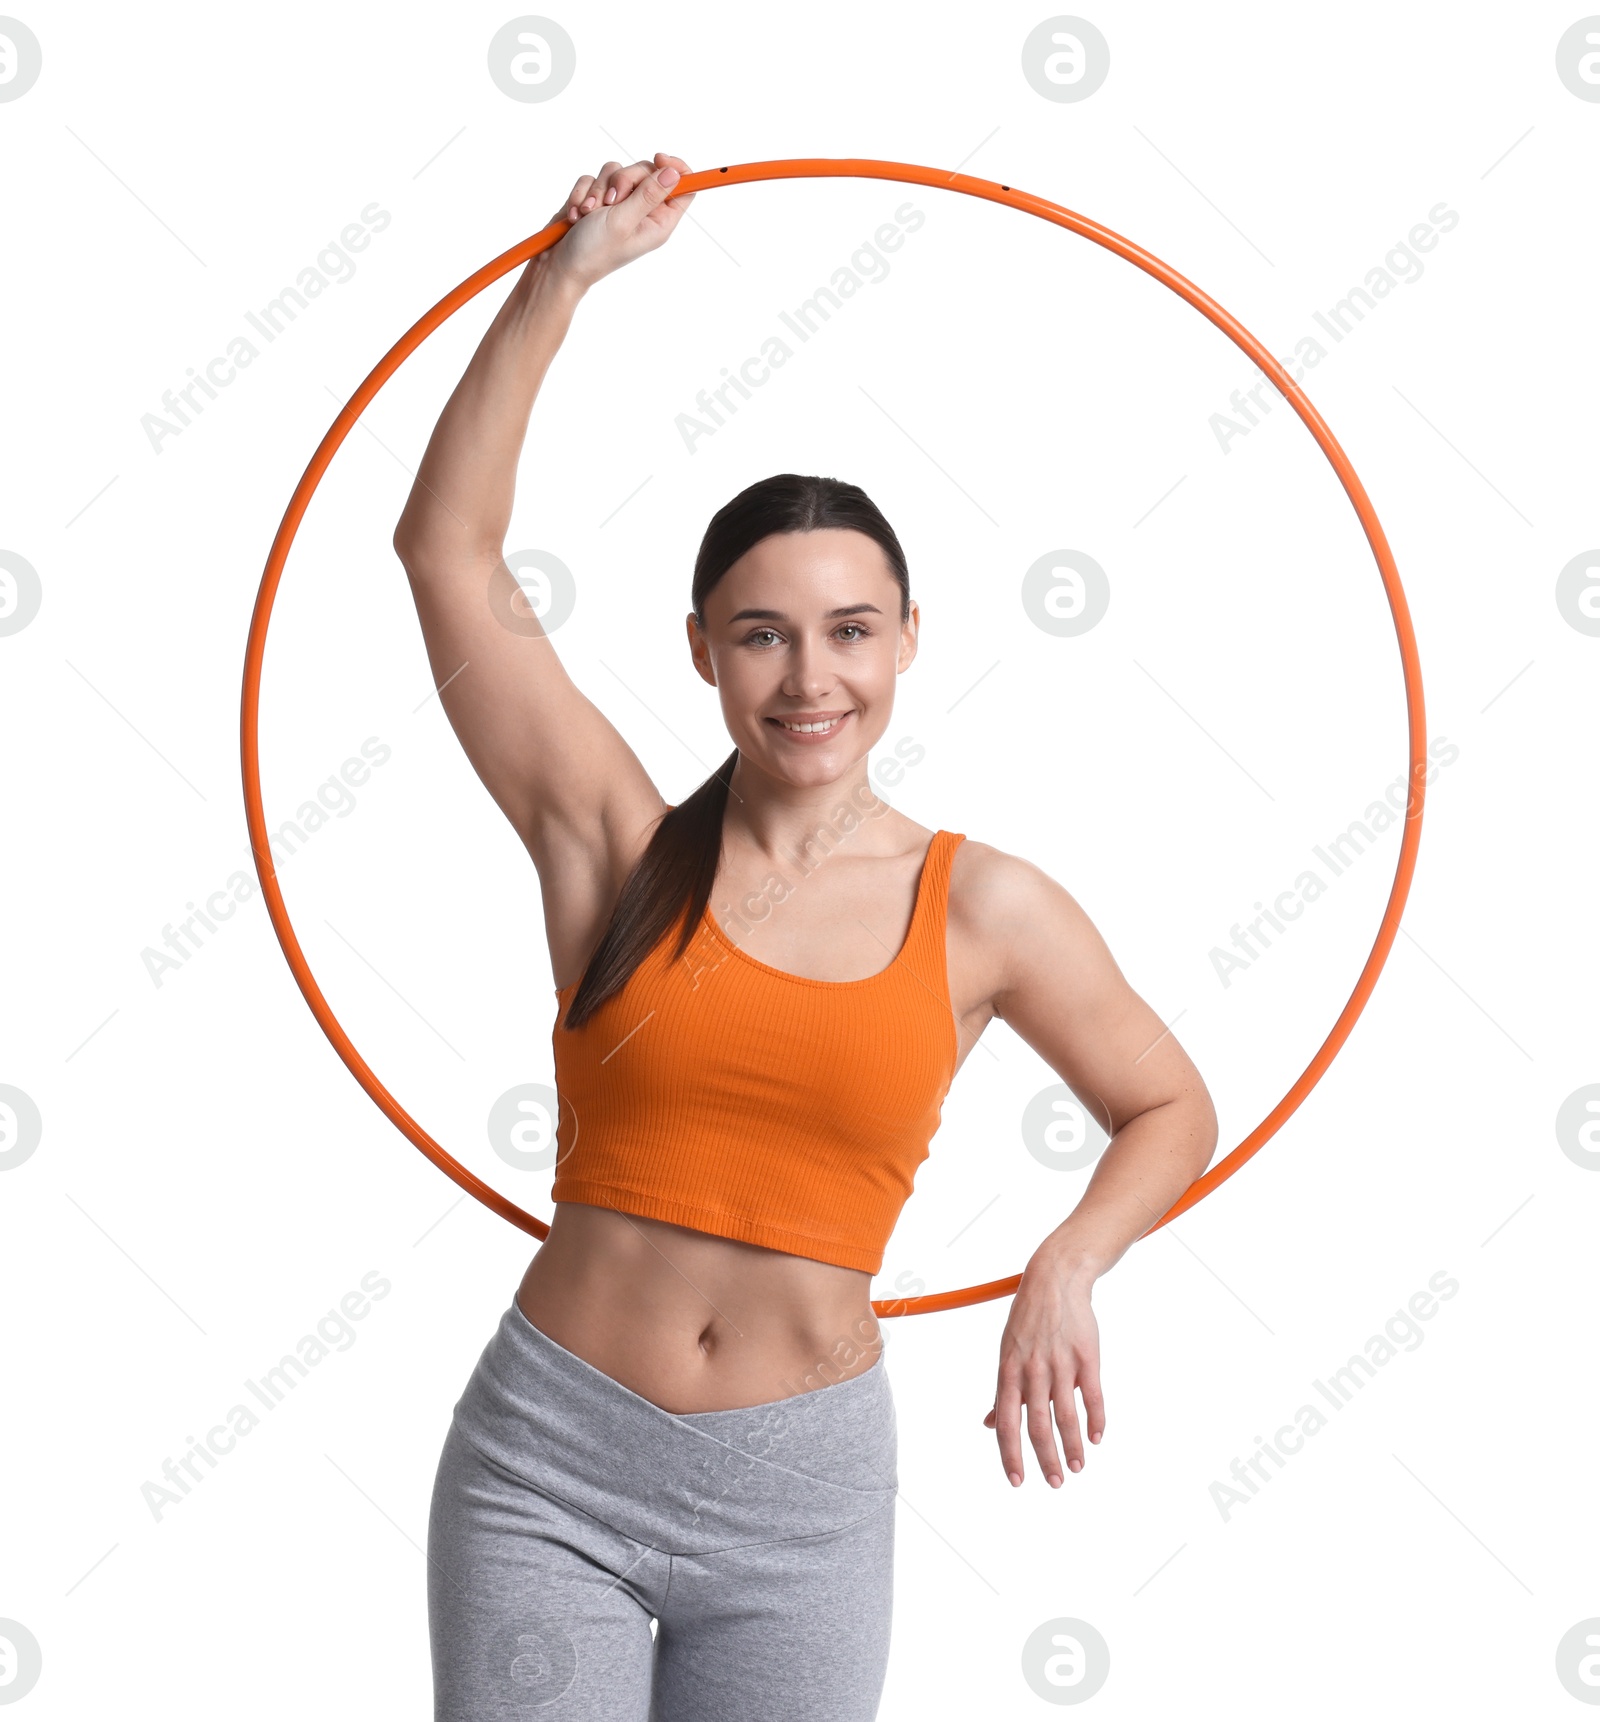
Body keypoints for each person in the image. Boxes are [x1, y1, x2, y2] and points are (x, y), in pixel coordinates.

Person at [394, 152, 1218, 1722]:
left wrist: (1069, 1255)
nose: (808, 678)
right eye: (761, 632)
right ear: (701, 647)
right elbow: (445, 552)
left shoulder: (984, 906)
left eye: (851, 630)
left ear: (909, 639)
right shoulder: (618, 843)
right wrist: (559, 280)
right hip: (549, 1460)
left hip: (801, 1496)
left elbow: (1172, 1102)